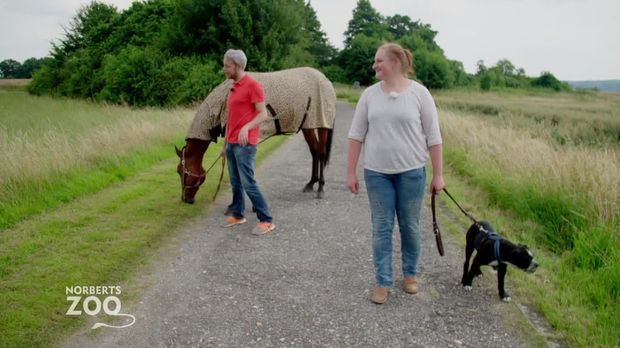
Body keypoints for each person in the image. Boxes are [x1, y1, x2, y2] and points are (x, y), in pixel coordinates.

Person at [347, 43, 445, 304]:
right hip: (377, 174)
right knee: (381, 228)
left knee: (410, 227)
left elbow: (434, 138)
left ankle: (410, 275)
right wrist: (350, 172)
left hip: (412, 173)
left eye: (379, 61)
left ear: (396, 63)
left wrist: (438, 175)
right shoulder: (369, 95)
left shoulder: (420, 94)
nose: (374, 65)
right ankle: (383, 281)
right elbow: (356, 136)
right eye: (375, 61)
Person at [220, 49, 275, 236]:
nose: (224, 69)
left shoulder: (253, 85)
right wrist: (225, 144)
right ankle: (238, 214)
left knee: (248, 183)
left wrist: (246, 128)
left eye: (227, 66)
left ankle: (266, 220)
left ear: (239, 66)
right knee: (235, 181)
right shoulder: (233, 87)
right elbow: (232, 118)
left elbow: (263, 114)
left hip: (246, 144)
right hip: (232, 143)